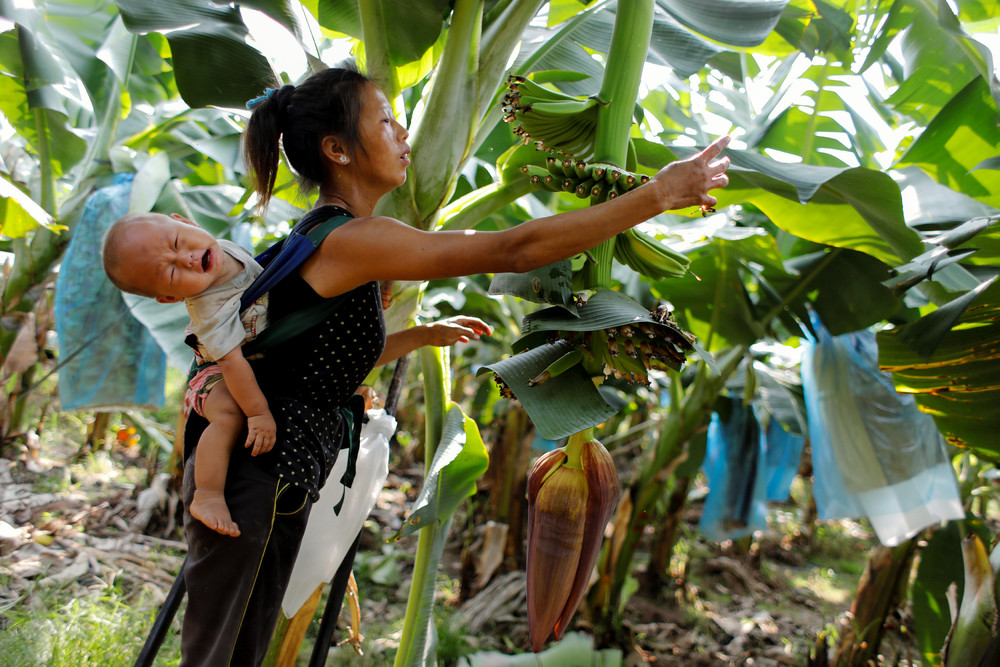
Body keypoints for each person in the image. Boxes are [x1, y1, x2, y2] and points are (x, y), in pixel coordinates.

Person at [177, 65, 730, 666]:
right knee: (222, 654)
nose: (402, 133)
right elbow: (511, 248)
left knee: (235, 652)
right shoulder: (351, 240)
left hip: (270, 474)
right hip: (254, 480)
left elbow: (308, 364)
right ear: (337, 150)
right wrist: (655, 197)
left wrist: (416, 336)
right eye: (384, 121)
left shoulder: (331, 237)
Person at [103, 211, 276, 538]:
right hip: (213, 376)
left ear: (187, 221)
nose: (188, 259)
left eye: (179, 242)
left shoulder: (225, 250)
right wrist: (258, 412)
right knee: (229, 414)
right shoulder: (210, 309)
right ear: (170, 298)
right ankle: (207, 494)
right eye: (171, 271)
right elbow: (231, 365)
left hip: (249, 359)